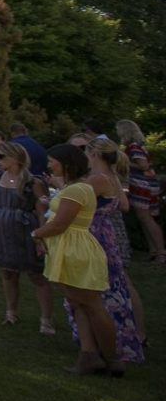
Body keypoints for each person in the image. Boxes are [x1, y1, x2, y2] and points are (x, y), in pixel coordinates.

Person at [31, 144, 120, 375]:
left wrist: (36, 234)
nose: (49, 165)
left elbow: (61, 223)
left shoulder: (76, 190)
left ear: (67, 164)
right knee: (77, 303)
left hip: (74, 249)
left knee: (92, 305)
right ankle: (89, 354)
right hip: (68, 247)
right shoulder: (75, 187)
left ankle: (112, 359)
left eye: (53, 161)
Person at [70, 139, 145, 363]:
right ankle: (133, 336)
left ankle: (106, 347)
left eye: (86, 150)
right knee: (118, 286)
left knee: (96, 291)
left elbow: (73, 200)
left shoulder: (98, 179)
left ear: (93, 153)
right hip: (110, 233)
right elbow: (124, 205)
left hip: (95, 235)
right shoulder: (113, 177)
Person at [0, 142, 53, 333]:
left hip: (26, 226)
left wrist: (41, 236)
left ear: (16, 158)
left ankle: (46, 319)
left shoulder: (33, 181)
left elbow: (42, 211)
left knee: (37, 274)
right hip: (2, 224)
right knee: (7, 271)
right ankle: (11, 312)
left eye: (1, 157)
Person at [116, 119, 164, 263]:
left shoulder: (133, 147)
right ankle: (153, 250)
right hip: (146, 184)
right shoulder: (139, 146)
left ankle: (161, 251)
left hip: (142, 185)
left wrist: (122, 160)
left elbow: (143, 165)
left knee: (146, 218)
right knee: (144, 218)